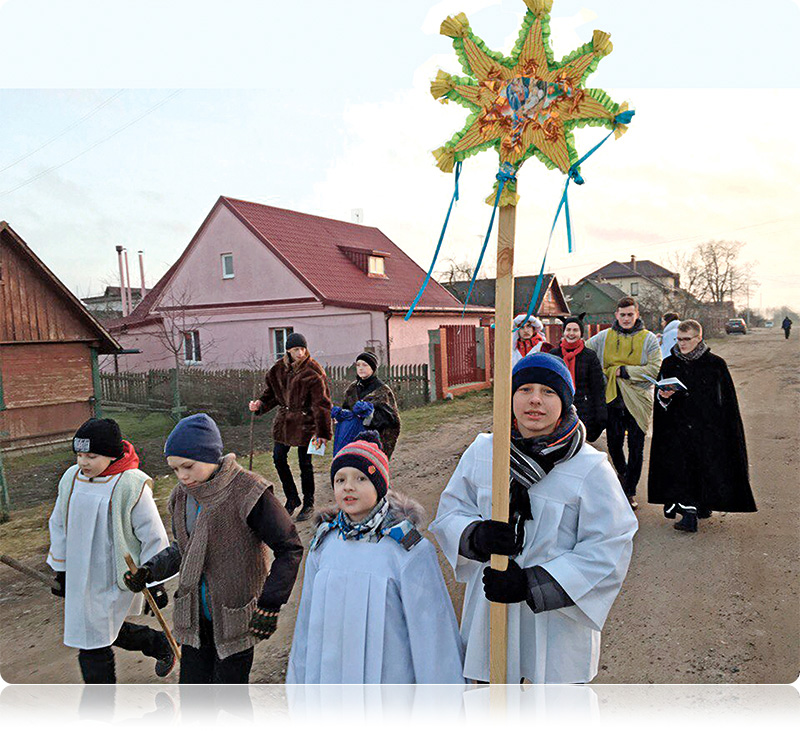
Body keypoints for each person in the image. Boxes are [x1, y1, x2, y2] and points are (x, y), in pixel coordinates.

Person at [430, 353, 637, 683]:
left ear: (566, 402)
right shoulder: (485, 451)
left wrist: (531, 584)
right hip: (491, 609)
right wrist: (476, 535)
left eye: (548, 391)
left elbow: (609, 548)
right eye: (525, 389)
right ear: (510, 397)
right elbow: (451, 511)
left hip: (554, 625)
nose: (535, 400)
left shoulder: (590, 467)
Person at [123, 413, 303, 683]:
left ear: (210, 456)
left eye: (188, 466)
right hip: (194, 619)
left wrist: (270, 603)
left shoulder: (249, 492)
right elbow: (185, 548)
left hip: (235, 617)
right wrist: (150, 572)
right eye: (174, 469)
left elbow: (289, 547)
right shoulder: (182, 497)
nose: (182, 477)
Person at [287, 431, 465, 684]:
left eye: (361, 478)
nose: (348, 486)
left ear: (380, 486)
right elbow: (306, 621)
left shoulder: (406, 549)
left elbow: (431, 630)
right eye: (340, 480)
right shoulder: (324, 545)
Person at [47, 418, 173, 683]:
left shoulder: (129, 484)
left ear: (111, 454)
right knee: (95, 631)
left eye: (91, 456)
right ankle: (158, 643)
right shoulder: (71, 479)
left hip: (116, 574)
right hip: (81, 573)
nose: (83, 462)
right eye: (79, 455)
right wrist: (61, 570)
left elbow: (152, 534)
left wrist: (155, 581)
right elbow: (58, 522)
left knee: (94, 639)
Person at [647, 320, 757, 532]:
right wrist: (664, 396)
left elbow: (727, 402)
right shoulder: (670, 363)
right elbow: (661, 401)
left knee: (705, 469)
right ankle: (689, 514)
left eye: (687, 339)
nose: (682, 344)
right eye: (679, 339)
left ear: (699, 338)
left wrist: (725, 430)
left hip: (708, 430)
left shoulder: (715, 364)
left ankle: (702, 505)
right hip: (677, 430)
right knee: (683, 470)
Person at [586, 297, 662, 509]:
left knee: (636, 448)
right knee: (614, 445)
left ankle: (629, 491)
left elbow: (655, 368)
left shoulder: (649, 339)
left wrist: (624, 371)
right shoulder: (603, 337)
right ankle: (624, 475)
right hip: (611, 400)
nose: (626, 318)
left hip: (638, 401)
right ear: (616, 315)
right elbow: (584, 353)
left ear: (637, 315)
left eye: (630, 314)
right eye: (623, 315)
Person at [248, 333, 333, 521]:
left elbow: (322, 404)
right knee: (278, 457)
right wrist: (259, 405)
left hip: (307, 422)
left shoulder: (314, 370)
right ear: (288, 350)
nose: (301, 353)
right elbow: (270, 395)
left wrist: (323, 432)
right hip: (285, 422)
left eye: (303, 349)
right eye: (296, 349)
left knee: (305, 464)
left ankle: (308, 502)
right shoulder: (277, 370)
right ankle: (292, 498)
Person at [550, 313, 607, 441]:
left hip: (584, 408)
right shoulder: (554, 354)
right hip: (559, 407)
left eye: (575, 330)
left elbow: (597, 388)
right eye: (568, 329)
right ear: (563, 332)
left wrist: (601, 413)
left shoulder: (589, 356)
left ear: (581, 333)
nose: (571, 333)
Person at [339, 351, 401, 458]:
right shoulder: (352, 389)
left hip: (375, 440)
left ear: (372, 368)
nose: (361, 368)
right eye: (358, 365)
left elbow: (391, 420)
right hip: (353, 438)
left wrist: (369, 418)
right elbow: (346, 410)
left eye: (365, 365)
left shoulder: (382, 391)